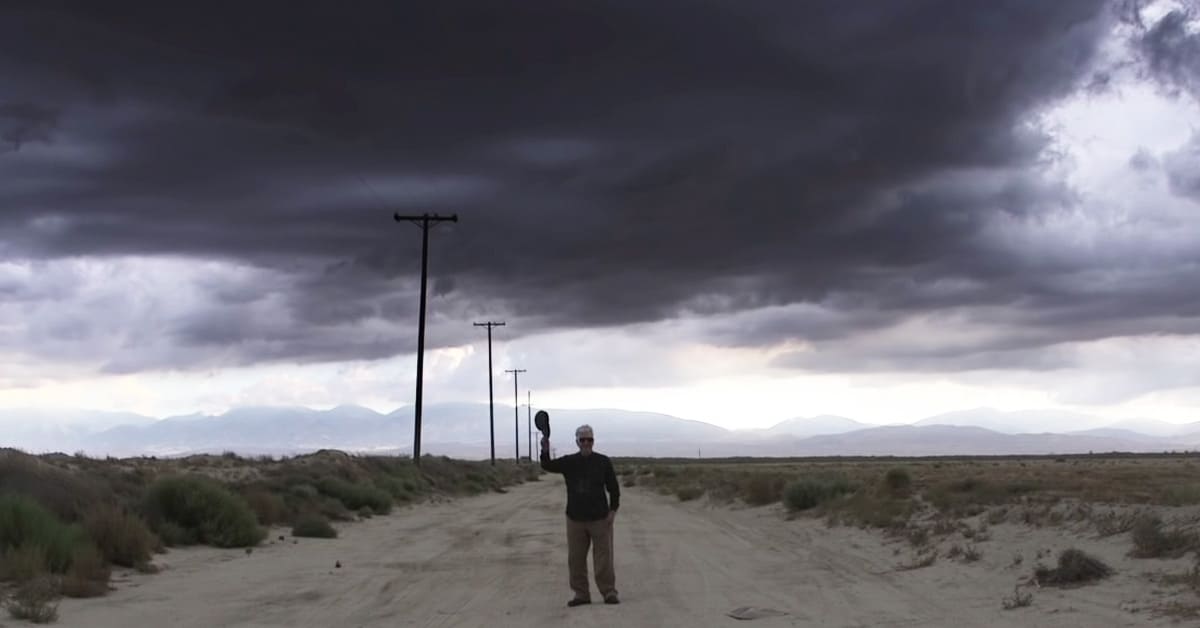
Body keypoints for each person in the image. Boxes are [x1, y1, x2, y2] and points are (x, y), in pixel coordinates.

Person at [540, 423, 620, 607]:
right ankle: (581, 594)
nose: (586, 443)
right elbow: (547, 465)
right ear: (577, 442)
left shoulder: (603, 462)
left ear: (593, 441)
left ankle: (609, 592)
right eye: (582, 440)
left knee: (604, 560)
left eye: (589, 439)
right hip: (575, 519)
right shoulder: (570, 462)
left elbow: (614, 489)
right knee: (576, 559)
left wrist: (613, 511)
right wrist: (544, 449)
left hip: (600, 518)